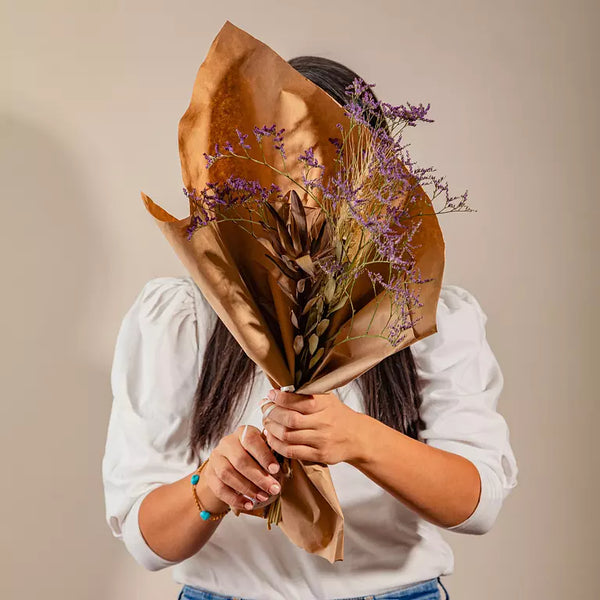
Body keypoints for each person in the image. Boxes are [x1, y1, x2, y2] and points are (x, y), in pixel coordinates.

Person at [102, 58, 518, 600]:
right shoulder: (186, 316)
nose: (306, 190)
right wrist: (214, 484)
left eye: (333, 163)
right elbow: (145, 539)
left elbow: (477, 505)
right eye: (282, 163)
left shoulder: (425, 317)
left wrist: (360, 439)